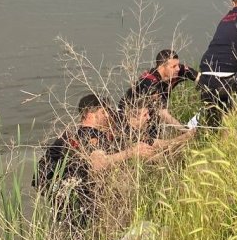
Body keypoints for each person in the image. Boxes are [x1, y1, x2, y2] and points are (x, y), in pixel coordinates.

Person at [33, 94, 153, 223]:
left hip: (62, 191)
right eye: (103, 112)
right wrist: (131, 153)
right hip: (68, 194)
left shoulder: (79, 132)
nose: (107, 116)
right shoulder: (89, 133)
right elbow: (98, 163)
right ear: (90, 115)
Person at [120, 49, 198, 134]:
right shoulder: (151, 82)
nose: (178, 69)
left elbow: (201, 78)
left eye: (178, 65)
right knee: (153, 132)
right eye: (174, 66)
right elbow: (163, 114)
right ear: (161, 67)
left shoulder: (177, 71)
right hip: (131, 116)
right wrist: (184, 130)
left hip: (149, 113)